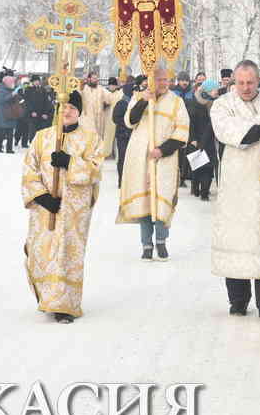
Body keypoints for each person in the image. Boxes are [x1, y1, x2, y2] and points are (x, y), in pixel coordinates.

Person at [22, 90, 104, 324]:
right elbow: (29, 169)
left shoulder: (90, 139)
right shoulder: (42, 137)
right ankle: (48, 298)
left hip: (73, 211)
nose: (66, 111)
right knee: (43, 251)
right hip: (45, 209)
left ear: (79, 112)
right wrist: (43, 197)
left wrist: (70, 162)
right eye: (63, 107)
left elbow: (96, 170)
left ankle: (65, 306)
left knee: (67, 255)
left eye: (72, 108)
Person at [210, 61, 260, 318]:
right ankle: (237, 300)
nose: (246, 88)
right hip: (237, 181)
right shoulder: (222, 105)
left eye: (251, 82)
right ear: (233, 82)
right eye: (241, 83)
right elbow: (228, 131)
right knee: (236, 237)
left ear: (259, 80)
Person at [116, 67, 190, 261]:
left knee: (162, 200)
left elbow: (182, 132)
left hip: (164, 159)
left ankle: (161, 242)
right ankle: (146, 244)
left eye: (166, 79)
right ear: (150, 80)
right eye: (159, 80)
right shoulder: (140, 97)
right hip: (140, 158)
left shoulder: (176, 102)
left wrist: (163, 150)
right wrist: (143, 101)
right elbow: (129, 121)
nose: (164, 83)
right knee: (145, 202)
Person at [187, 79, 219, 200]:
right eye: (215, 89)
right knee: (197, 167)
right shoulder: (194, 103)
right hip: (196, 141)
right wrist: (192, 138)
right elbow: (189, 122)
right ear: (208, 90)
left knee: (208, 168)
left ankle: (204, 193)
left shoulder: (215, 103)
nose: (217, 91)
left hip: (209, 140)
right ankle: (195, 188)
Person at [111, 76, 142, 188]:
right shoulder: (122, 103)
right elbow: (115, 118)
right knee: (123, 158)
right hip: (123, 136)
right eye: (134, 91)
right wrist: (126, 123)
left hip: (133, 135)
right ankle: (121, 180)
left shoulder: (135, 102)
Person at [80, 70, 111, 138]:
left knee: (97, 137)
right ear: (89, 79)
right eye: (94, 78)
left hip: (98, 118)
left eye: (96, 78)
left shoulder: (100, 89)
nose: (96, 80)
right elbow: (78, 94)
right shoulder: (84, 88)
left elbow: (110, 97)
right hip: (87, 117)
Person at [0, 75, 19, 154]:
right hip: (3, 114)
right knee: (2, 132)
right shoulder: (1, 89)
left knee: (10, 132)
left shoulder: (12, 89)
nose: (12, 83)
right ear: (6, 82)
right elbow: (1, 100)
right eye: (11, 82)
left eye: (13, 82)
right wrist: (12, 95)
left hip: (11, 113)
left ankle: (9, 149)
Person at [24, 75, 53, 140]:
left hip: (42, 115)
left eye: (38, 81)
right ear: (32, 82)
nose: (37, 82)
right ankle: (32, 145)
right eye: (35, 81)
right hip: (33, 115)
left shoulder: (42, 90)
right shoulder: (28, 89)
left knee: (40, 133)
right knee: (32, 132)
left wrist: (45, 113)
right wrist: (31, 112)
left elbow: (46, 102)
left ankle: (38, 146)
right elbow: (27, 102)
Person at [100, 77, 123, 157]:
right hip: (107, 118)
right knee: (107, 136)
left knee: (116, 137)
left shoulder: (120, 93)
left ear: (116, 86)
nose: (112, 87)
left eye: (113, 85)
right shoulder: (106, 93)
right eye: (110, 85)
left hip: (118, 118)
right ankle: (106, 153)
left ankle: (115, 153)